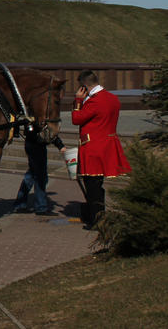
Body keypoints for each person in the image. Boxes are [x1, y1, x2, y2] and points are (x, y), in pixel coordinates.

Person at [71, 70, 131, 228]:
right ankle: (98, 214)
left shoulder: (94, 101)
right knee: (97, 184)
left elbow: (76, 119)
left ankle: (96, 219)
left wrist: (78, 101)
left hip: (93, 147)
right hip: (107, 143)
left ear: (84, 86)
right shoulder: (112, 98)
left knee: (92, 185)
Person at [12, 129, 67, 216]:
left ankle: (21, 204)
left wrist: (59, 144)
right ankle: (40, 207)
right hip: (36, 146)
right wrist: (59, 144)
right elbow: (47, 131)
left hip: (33, 145)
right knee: (40, 176)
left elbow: (47, 130)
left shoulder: (35, 119)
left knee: (31, 175)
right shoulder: (36, 119)